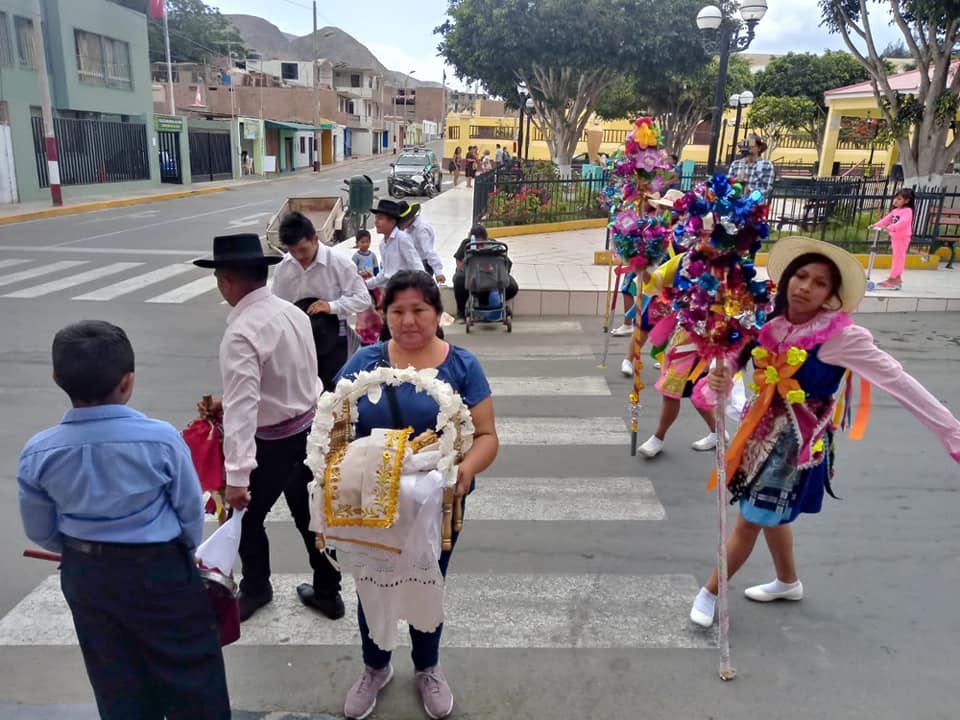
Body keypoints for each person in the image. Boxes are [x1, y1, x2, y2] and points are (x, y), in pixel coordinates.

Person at [689, 236, 960, 628]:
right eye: (801, 276)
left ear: (831, 295)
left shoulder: (839, 337)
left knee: (750, 519)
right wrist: (721, 376)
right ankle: (788, 582)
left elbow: (899, 382)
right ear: (787, 278)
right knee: (770, 513)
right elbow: (734, 358)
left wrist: (953, 433)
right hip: (758, 435)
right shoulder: (768, 322)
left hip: (793, 446)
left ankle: (710, 592)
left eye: (819, 283)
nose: (805, 287)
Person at [17, 320, 230, 720]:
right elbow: (189, 513)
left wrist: (82, 551)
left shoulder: (39, 452)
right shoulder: (161, 439)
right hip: (161, 570)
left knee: (115, 678)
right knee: (191, 673)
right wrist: (178, 556)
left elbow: (40, 529)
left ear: (56, 379)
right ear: (128, 381)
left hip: (88, 576)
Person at [336, 270, 499, 720]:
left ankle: (427, 667)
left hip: (438, 506)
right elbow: (333, 419)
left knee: (428, 582)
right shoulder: (365, 362)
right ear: (385, 314)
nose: (408, 320)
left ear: (437, 313)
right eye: (397, 311)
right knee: (372, 583)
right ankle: (375, 667)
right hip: (373, 502)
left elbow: (487, 436)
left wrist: (464, 471)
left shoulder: (462, 366)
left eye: (419, 310)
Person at [194, 234, 344, 622]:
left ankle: (257, 587)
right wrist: (228, 402)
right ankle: (328, 591)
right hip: (309, 431)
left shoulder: (242, 333)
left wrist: (236, 477)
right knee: (310, 516)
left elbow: (244, 410)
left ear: (226, 281)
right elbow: (295, 377)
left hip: (274, 442)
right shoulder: (293, 313)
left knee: (245, 517)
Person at [271, 211, 371, 392]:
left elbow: (363, 299)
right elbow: (275, 306)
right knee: (302, 390)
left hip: (333, 336)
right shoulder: (284, 267)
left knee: (334, 390)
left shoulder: (339, 263)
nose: (299, 256)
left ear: (315, 239)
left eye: (303, 250)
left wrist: (331, 306)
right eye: (292, 251)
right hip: (298, 339)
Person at [452, 224, 519, 322]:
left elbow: (506, 263)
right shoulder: (467, 244)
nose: (480, 246)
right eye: (477, 243)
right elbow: (459, 263)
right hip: (472, 278)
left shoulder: (493, 245)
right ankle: (461, 313)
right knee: (459, 279)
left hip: (491, 277)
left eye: (482, 243)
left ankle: (498, 306)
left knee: (512, 286)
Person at [366, 198, 424, 291]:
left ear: (392, 222)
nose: (376, 222)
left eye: (380, 218)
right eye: (376, 218)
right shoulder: (383, 244)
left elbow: (416, 265)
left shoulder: (402, 238)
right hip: (391, 289)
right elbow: (385, 274)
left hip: (404, 289)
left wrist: (422, 289)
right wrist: (366, 284)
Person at [872, 188, 915, 290]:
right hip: (895, 237)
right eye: (896, 198)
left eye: (899, 199)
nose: (895, 200)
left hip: (902, 238)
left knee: (898, 258)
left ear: (907, 201)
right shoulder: (895, 211)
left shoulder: (907, 211)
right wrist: (875, 225)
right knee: (897, 257)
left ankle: (892, 279)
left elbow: (902, 223)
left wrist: (889, 227)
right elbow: (886, 219)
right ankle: (897, 279)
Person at [398, 201, 446, 284]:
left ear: (409, 218)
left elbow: (429, 252)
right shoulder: (407, 229)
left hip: (423, 264)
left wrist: (438, 272)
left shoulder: (421, 230)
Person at [728, 133, 775, 199]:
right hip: (736, 203)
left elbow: (768, 189)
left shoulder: (766, 165)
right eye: (747, 144)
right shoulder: (736, 164)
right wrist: (736, 180)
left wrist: (751, 191)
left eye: (752, 144)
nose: (749, 147)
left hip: (754, 203)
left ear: (759, 148)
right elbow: (727, 187)